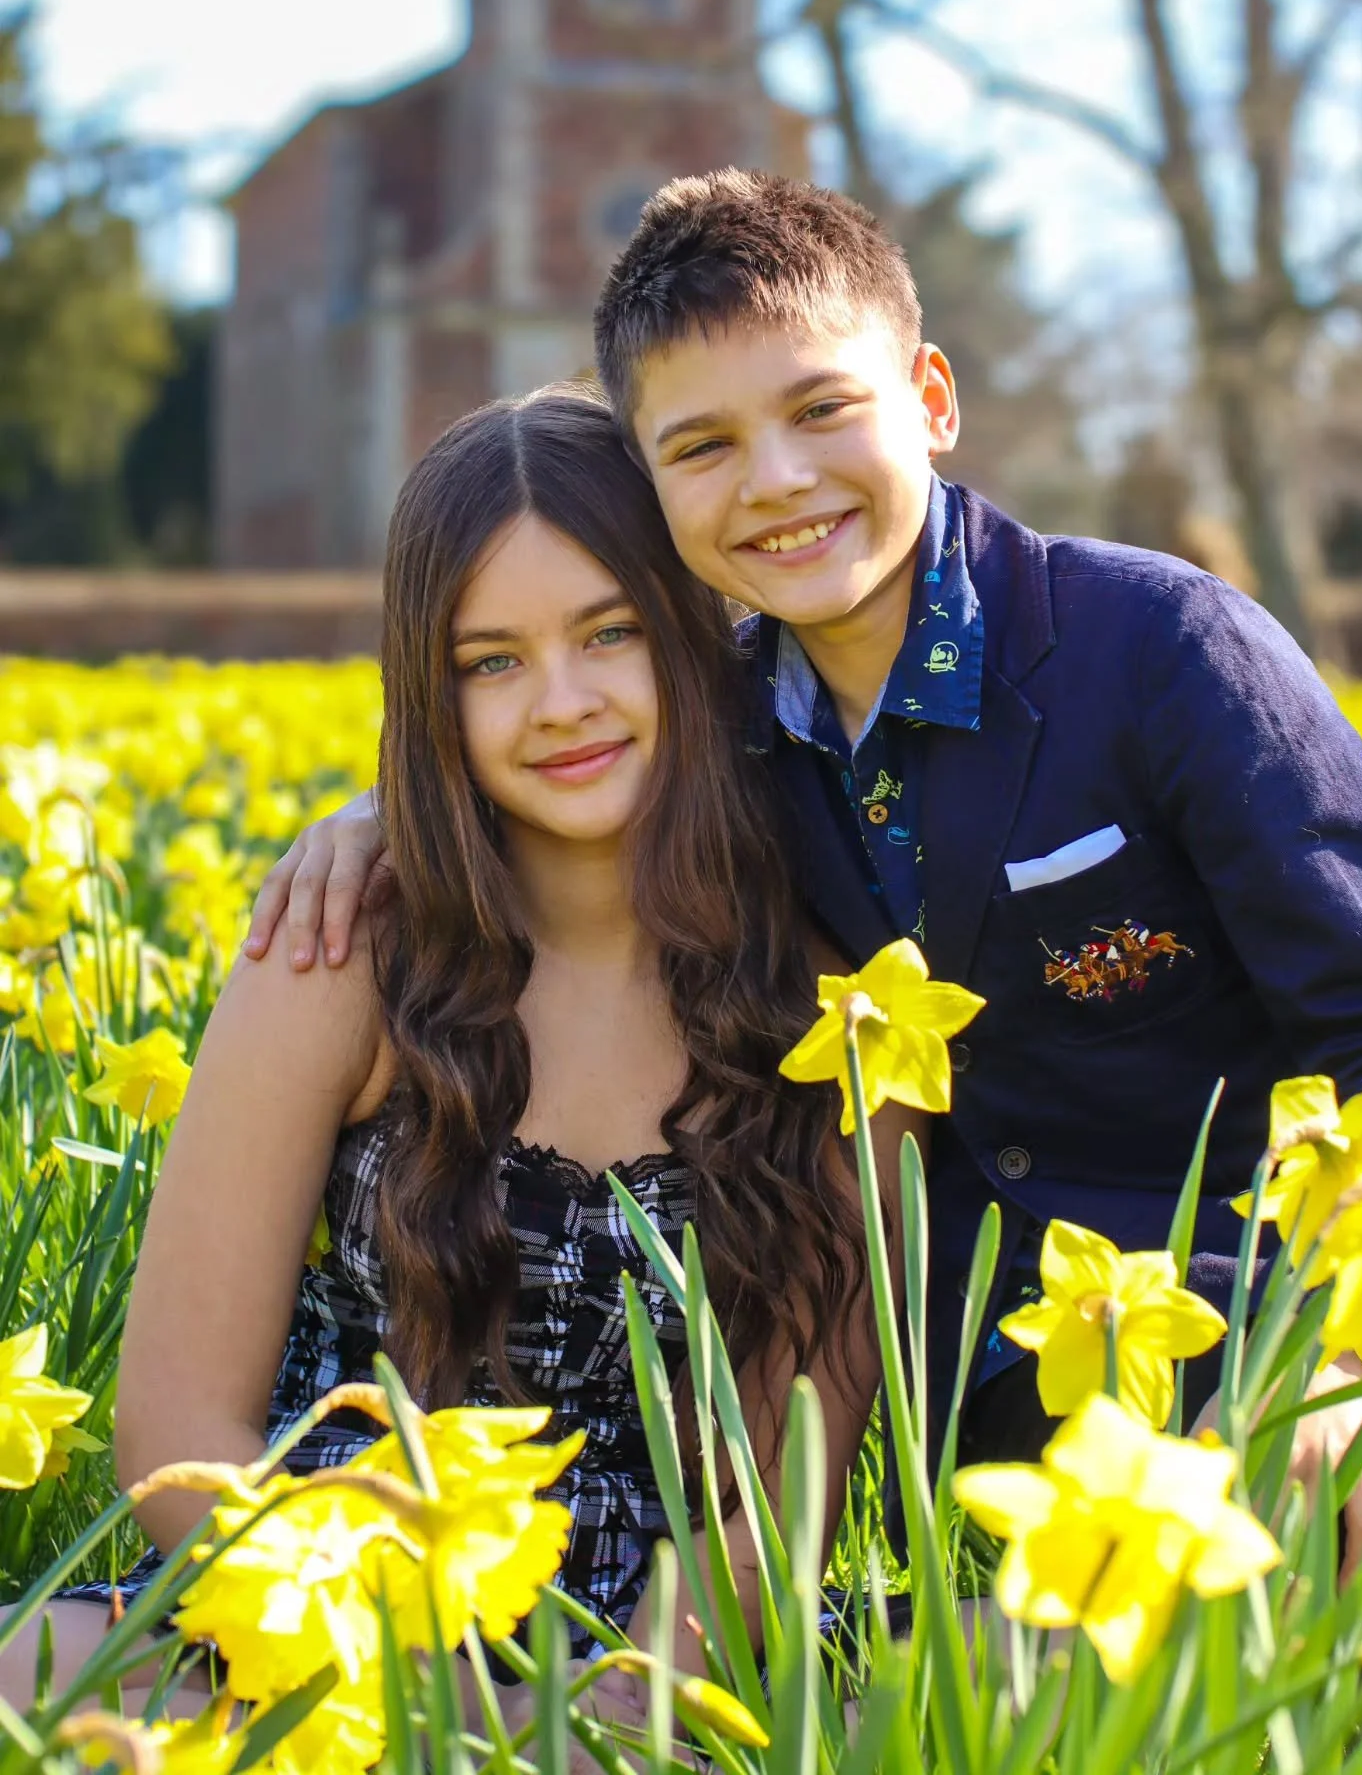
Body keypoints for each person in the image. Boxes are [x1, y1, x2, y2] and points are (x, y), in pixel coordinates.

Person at [252, 170, 1362, 1587]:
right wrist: (380, 815)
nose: (778, 482)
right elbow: (534, 750)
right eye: (703, 445)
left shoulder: (1166, 655)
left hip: (1269, 1366)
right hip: (985, 1426)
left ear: (930, 396)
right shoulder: (724, 743)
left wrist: (1337, 1371)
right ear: (653, 485)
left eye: (824, 409)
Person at [0, 385, 894, 1733]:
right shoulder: (345, 950)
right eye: (493, 661)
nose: (563, 704)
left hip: (675, 1646)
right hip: (321, 1598)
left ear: (698, 642)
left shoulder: (838, 1011)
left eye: (613, 635)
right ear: (432, 689)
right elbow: (180, 1427)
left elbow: (783, 1489)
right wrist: (397, 1697)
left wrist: (595, 1717)